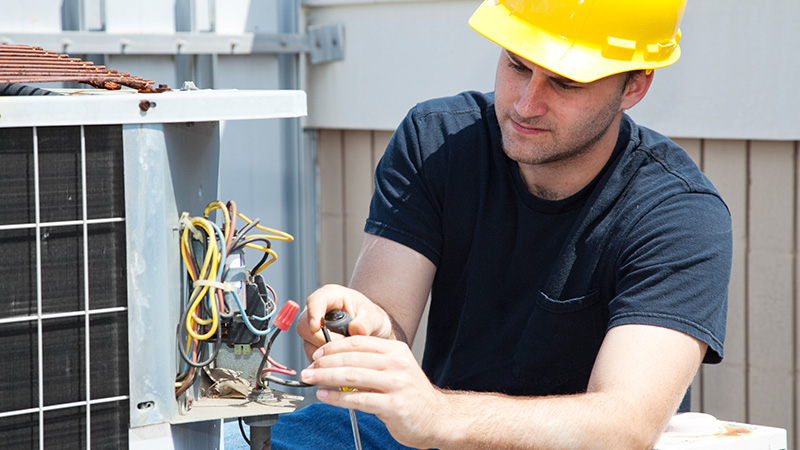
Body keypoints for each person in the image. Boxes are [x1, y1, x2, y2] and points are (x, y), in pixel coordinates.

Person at [270, 0, 731, 448]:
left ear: (634, 86)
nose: (526, 104)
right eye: (517, 65)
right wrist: (366, 325)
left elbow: (625, 427)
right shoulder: (436, 141)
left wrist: (436, 415)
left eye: (566, 83)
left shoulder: (679, 215)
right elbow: (387, 325)